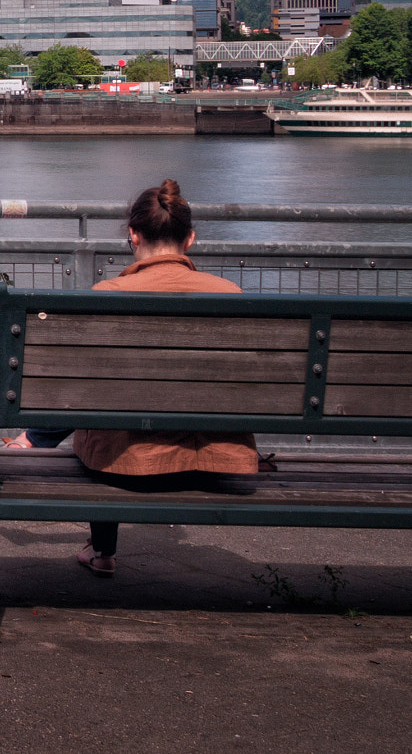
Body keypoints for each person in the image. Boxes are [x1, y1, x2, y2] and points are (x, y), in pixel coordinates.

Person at [70, 178, 256, 578]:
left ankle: (103, 551)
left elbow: (78, 390)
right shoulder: (232, 295)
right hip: (214, 464)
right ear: (190, 239)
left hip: (125, 467)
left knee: (104, 426)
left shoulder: (106, 295)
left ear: (133, 236)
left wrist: (36, 435)